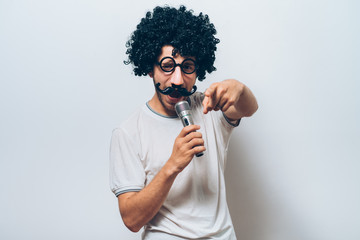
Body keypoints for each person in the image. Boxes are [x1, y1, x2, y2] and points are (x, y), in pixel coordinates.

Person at [109, 5, 258, 240]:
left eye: (187, 67)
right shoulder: (128, 132)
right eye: (168, 66)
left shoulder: (209, 106)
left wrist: (239, 89)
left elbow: (248, 108)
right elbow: (132, 220)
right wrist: (172, 165)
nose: (177, 80)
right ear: (150, 68)